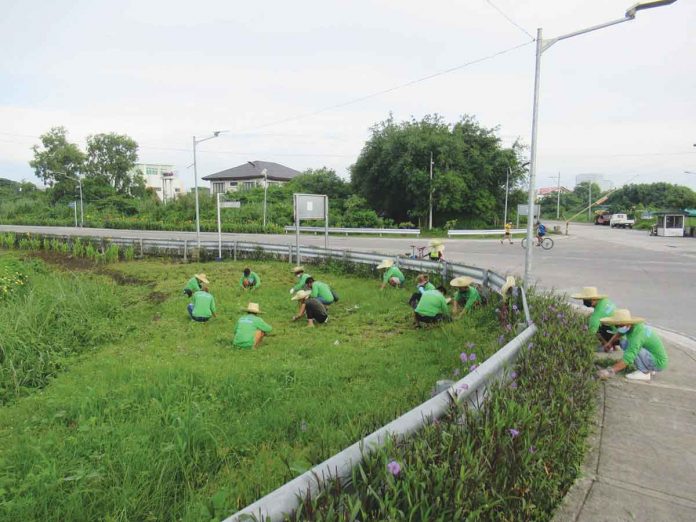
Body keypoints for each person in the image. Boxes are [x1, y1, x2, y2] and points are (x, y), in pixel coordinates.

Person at [596, 309, 668, 381]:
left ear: (628, 324)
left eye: (620, 326)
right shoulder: (634, 326)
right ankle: (649, 367)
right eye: (616, 326)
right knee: (624, 343)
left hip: (658, 363)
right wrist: (610, 343)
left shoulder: (637, 336)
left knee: (632, 348)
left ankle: (645, 373)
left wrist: (609, 371)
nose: (618, 328)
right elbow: (620, 332)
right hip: (652, 355)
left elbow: (628, 358)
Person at [570, 287, 619, 351]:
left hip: (616, 337)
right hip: (619, 331)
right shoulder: (606, 301)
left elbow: (591, 334)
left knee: (595, 328)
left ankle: (607, 345)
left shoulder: (596, 316)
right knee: (602, 324)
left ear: (593, 300)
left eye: (586, 300)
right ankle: (612, 345)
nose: (584, 302)